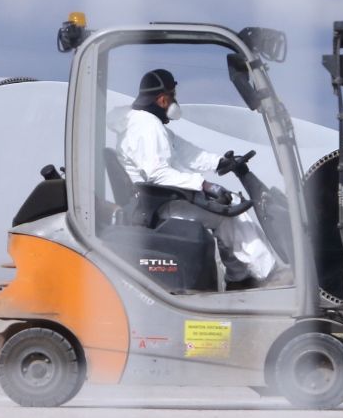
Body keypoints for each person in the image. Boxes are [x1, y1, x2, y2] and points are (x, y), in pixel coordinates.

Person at [112, 68, 290, 288]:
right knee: (230, 210)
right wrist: (205, 186)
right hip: (160, 204)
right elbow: (157, 174)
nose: (175, 101)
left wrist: (219, 162)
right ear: (162, 99)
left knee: (227, 209)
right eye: (173, 96)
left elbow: (186, 153)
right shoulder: (147, 127)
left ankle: (240, 277)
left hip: (161, 198)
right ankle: (268, 274)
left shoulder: (147, 123)